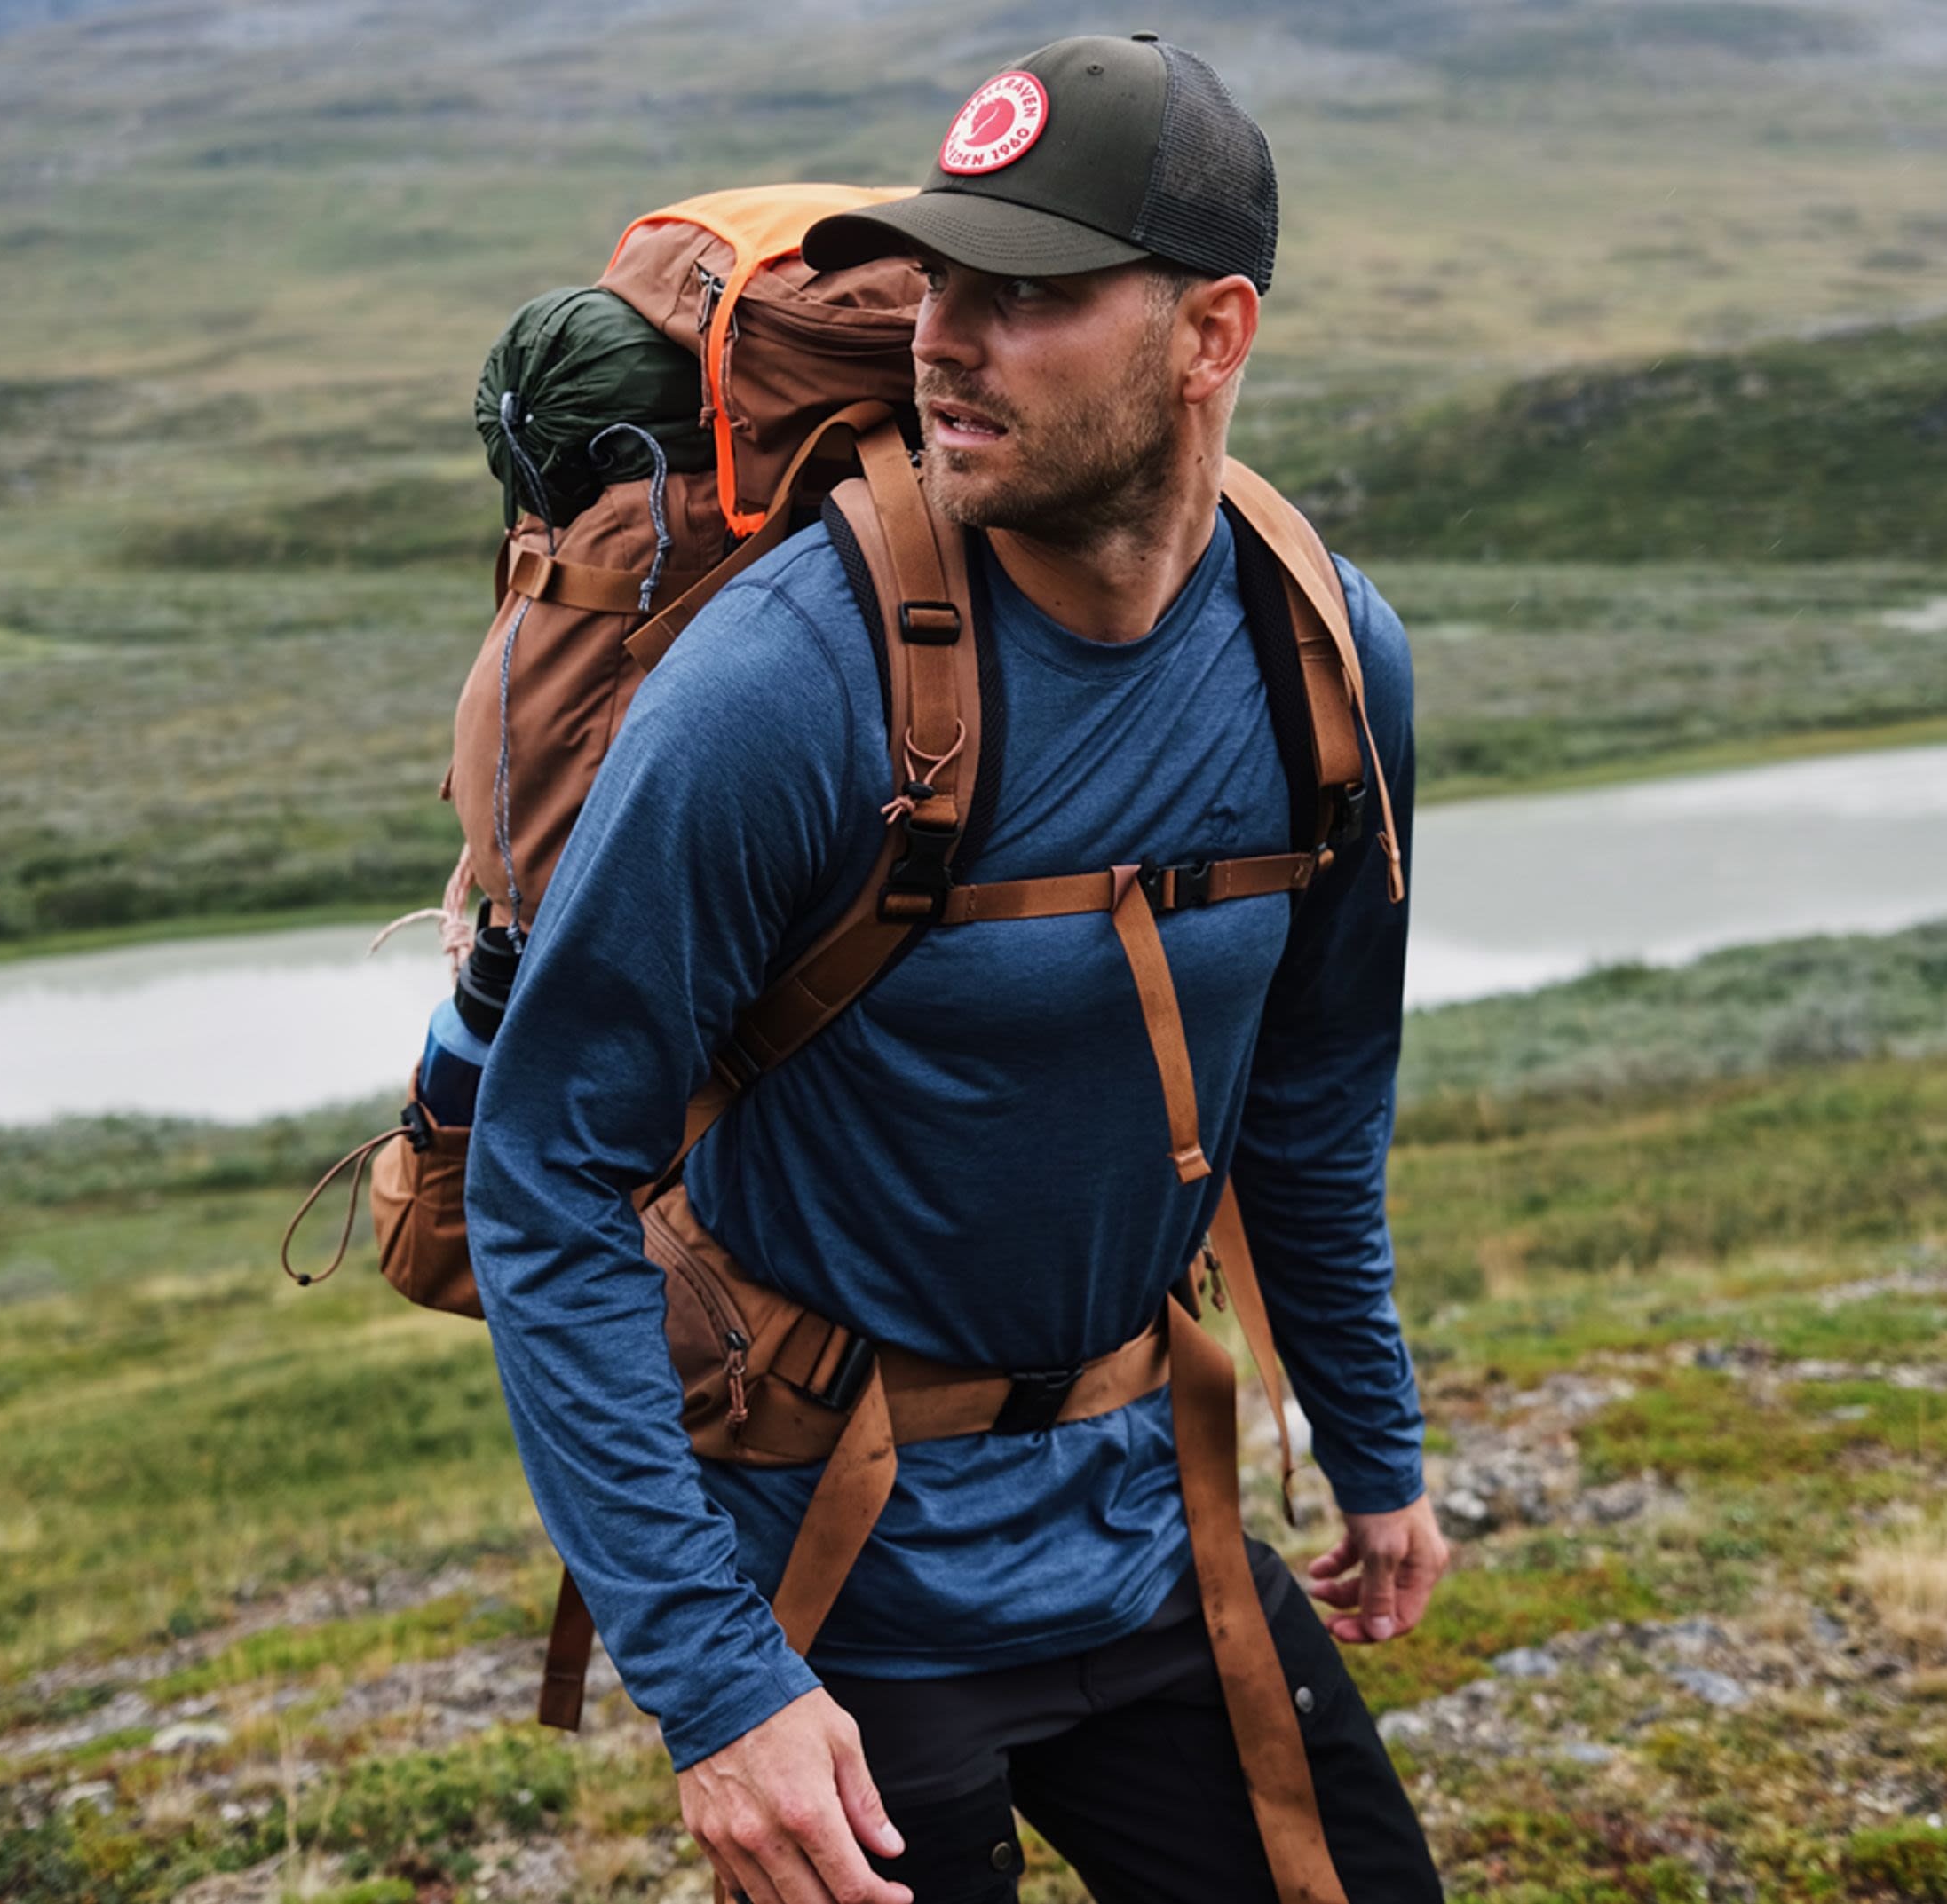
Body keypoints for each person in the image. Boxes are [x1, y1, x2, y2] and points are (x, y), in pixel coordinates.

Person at [466, 31, 1448, 1904]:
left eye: (1029, 293)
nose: (944, 334)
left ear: (1209, 333)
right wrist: (715, 1685)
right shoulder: (781, 690)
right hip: (836, 1580)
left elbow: (1311, 1099)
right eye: (940, 278)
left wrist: (1375, 1443)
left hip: (1151, 1525)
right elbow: (546, 1175)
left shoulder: (1321, 659)